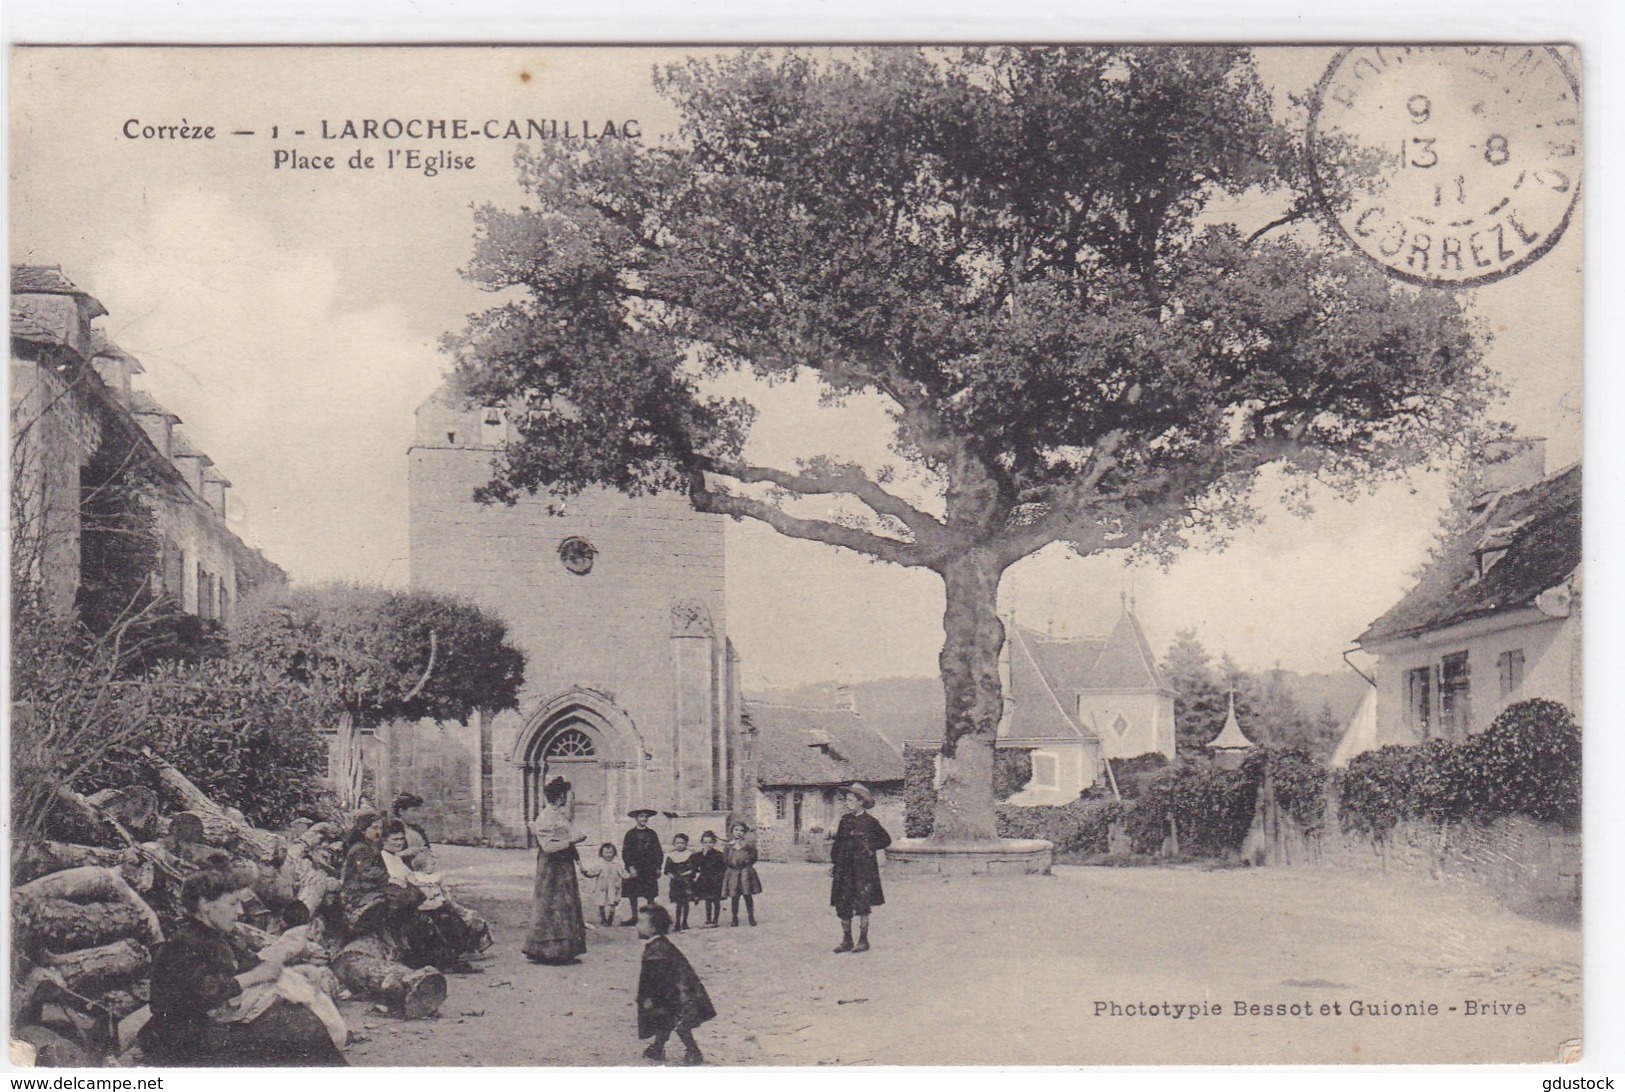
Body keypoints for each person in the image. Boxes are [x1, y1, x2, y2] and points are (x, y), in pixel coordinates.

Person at [138, 868, 348, 1066]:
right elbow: (207, 990)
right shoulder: (184, 942)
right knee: (292, 1029)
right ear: (204, 905)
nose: (239, 911)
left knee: (296, 1020)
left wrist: (294, 972)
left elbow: (249, 964)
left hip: (211, 1028)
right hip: (182, 1040)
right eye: (232, 904)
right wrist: (256, 976)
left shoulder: (217, 937)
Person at [378, 820, 493, 967]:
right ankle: (455, 951)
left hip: (413, 895)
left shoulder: (396, 857)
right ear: (384, 840)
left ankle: (462, 948)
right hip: (401, 899)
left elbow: (410, 876)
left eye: (401, 839)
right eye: (395, 839)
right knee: (441, 911)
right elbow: (393, 881)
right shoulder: (383, 858)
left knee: (445, 907)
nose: (400, 842)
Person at [635, 903, 714, 1066]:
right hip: (676, 991)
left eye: (641, 922)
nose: (637, 925)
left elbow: (655, 978)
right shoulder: (659, 945)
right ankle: (658, 1047)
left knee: (678, 1023)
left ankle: (693, 1050)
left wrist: (649, 997)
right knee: (666, 1020)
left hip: (676, 993)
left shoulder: (657, 949)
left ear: (653, 928)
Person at [523, 777, 589, 964]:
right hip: (551, 867)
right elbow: (548, 846)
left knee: (566, 904)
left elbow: (567, 837)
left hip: (564, 865)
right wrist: (572, 841)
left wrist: (579, 861)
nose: (568, 800)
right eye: (567, 797)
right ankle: (548, 950)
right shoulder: (545, 817)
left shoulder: (560, 816)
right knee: (552, 904)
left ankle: (565, 950)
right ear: (559, 798)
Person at [829, 782, 892, 954]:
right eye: (846, 799)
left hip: (863, 870)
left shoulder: (870, 822)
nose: (846, 803)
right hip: (844, 869)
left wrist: (869, 846)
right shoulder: (845, 820)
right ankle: (847, 940)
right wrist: (834, 863)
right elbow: (838, 844)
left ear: (860, 802)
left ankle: (863, 940)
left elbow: (886, 840)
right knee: (843, 903)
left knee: (862, 903)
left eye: (850, 800)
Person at [620, 807, 663, 925]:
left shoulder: (652, 834)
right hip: (636, 868)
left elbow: (658, 851)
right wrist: (630, 867)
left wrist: (658, 866)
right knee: (633, 893)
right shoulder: (630, 834)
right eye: (641, 816)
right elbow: (626, 852)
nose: (644, 819)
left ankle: (651, 918)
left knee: (650, 893)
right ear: (636, 818)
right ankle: (634, 917)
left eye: (646, 816)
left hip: (649, 867)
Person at [580, 842, 633, 927]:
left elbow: (623, 874)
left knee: (613, 903)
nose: (608, 855)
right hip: (602, 888)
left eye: (610, 853)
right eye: (606, 853)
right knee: (601, 903)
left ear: (614, 853)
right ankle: (603, 919)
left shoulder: (617, 865)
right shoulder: (600, 865)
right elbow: (592, 872)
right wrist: (585, 872)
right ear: (602, 853)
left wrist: (630, 875)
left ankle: (610, 919)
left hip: (613, 888)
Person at [720, 821, 762, 927]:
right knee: (735, 896)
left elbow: (754, 857)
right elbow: (725, 859)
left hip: (745, 872)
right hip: (733, 872)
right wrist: (732, 865)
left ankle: (751, 916)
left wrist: (746, 863)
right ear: (732, 831)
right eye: (736, 830)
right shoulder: (728, 845)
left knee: (747, 895)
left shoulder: (748, 845)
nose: (739, 833)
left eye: (741, 830)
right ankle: (734, 918)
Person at [391, 792, 436, 871]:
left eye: (418, 811)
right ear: (402, 811)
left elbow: (427, 847)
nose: (417, 815)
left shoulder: (417, 829)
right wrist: (407, 852)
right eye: (414, 811)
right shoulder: (392, 828)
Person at [662, 834, 698, 932]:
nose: (680, 845)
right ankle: (677, 923)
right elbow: (667, 870)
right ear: (674, 844)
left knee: (686, 903)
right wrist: (673, 877)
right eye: (677, 843)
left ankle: (684, 922)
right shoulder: (671, 856)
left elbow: (693, 869)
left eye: (682, 843)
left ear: (686, 844)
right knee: (678, 903)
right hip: (676, 882)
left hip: (686, 882)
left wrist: (684, 875)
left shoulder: (690, 854)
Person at [692, 831, 726, 928]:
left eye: (710, 842)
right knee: (707, 900)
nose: (708, 845)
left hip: (716, 880)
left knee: (716, 900)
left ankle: (715, 919)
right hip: (705, 880)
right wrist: (704, 855)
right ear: (702, 843)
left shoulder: (718, 854)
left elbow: (722, 868)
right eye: (705, 842)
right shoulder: (699, 855)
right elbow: (696, 866)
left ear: (714, 843)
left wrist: (719, 878)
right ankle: (708, 919)